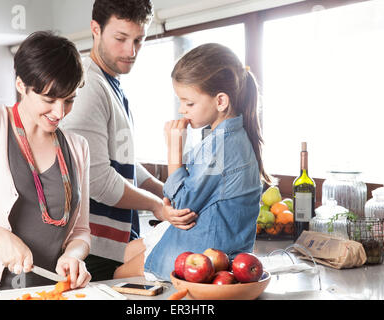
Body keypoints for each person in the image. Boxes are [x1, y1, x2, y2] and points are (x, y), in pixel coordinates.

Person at [0, 31, 91, 299]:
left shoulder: (78, 147)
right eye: (49, 100)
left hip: (43, 292)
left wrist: (73, 256)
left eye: (69, 100)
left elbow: (81, 232)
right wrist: (1, 237)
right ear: (21, 85)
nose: (60, 113)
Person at [60, 0, 197, 281]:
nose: (131, 51)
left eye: (139, 40)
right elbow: (96, 179)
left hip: (113, 245)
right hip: (93, 248)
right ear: (95, 29)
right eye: (121, 38)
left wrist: (164, 191)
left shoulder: (110, 83)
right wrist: (157, 205)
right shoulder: (88, 88)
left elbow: (123, 160)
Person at [113, 43, 273, 281]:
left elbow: (183, 205)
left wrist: (174, 151)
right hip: (212, 240)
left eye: (189, 103)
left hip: (206, 251)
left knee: (119, 274)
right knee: (127, 252)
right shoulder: (222, 136)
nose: (181, 110)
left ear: (220, 102)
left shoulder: (220, 145)